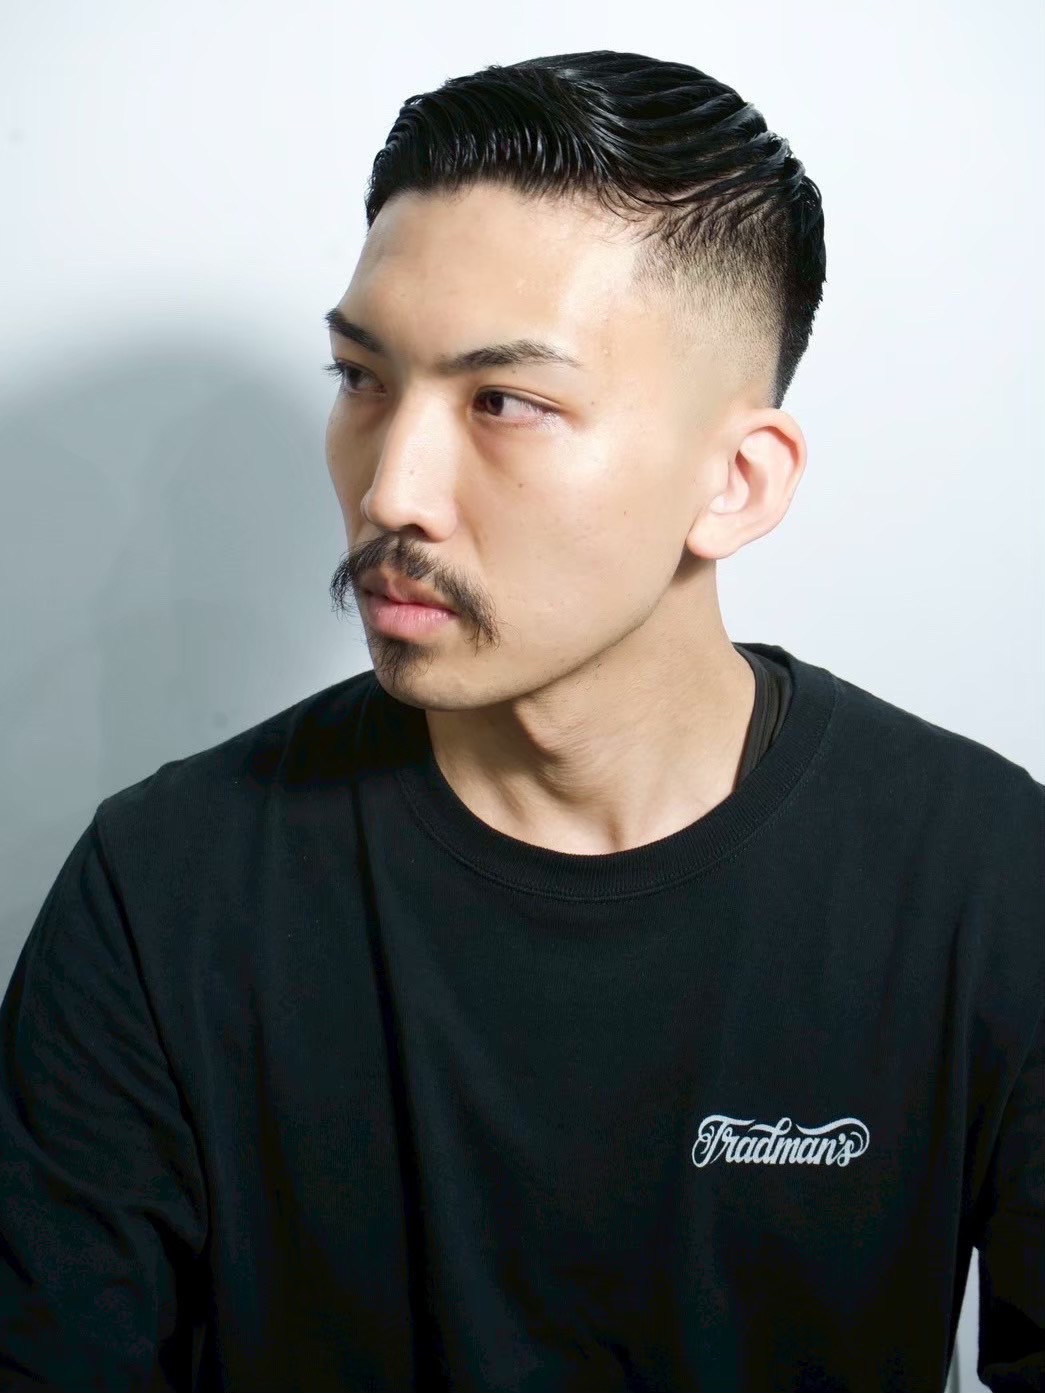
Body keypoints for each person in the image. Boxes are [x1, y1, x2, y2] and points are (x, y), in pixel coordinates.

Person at [0, 48, 1041, 1393]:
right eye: (362, 378)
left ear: (734, 481)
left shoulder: (986, 882)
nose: (392, 490)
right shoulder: (162, 893)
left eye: (505, 402)